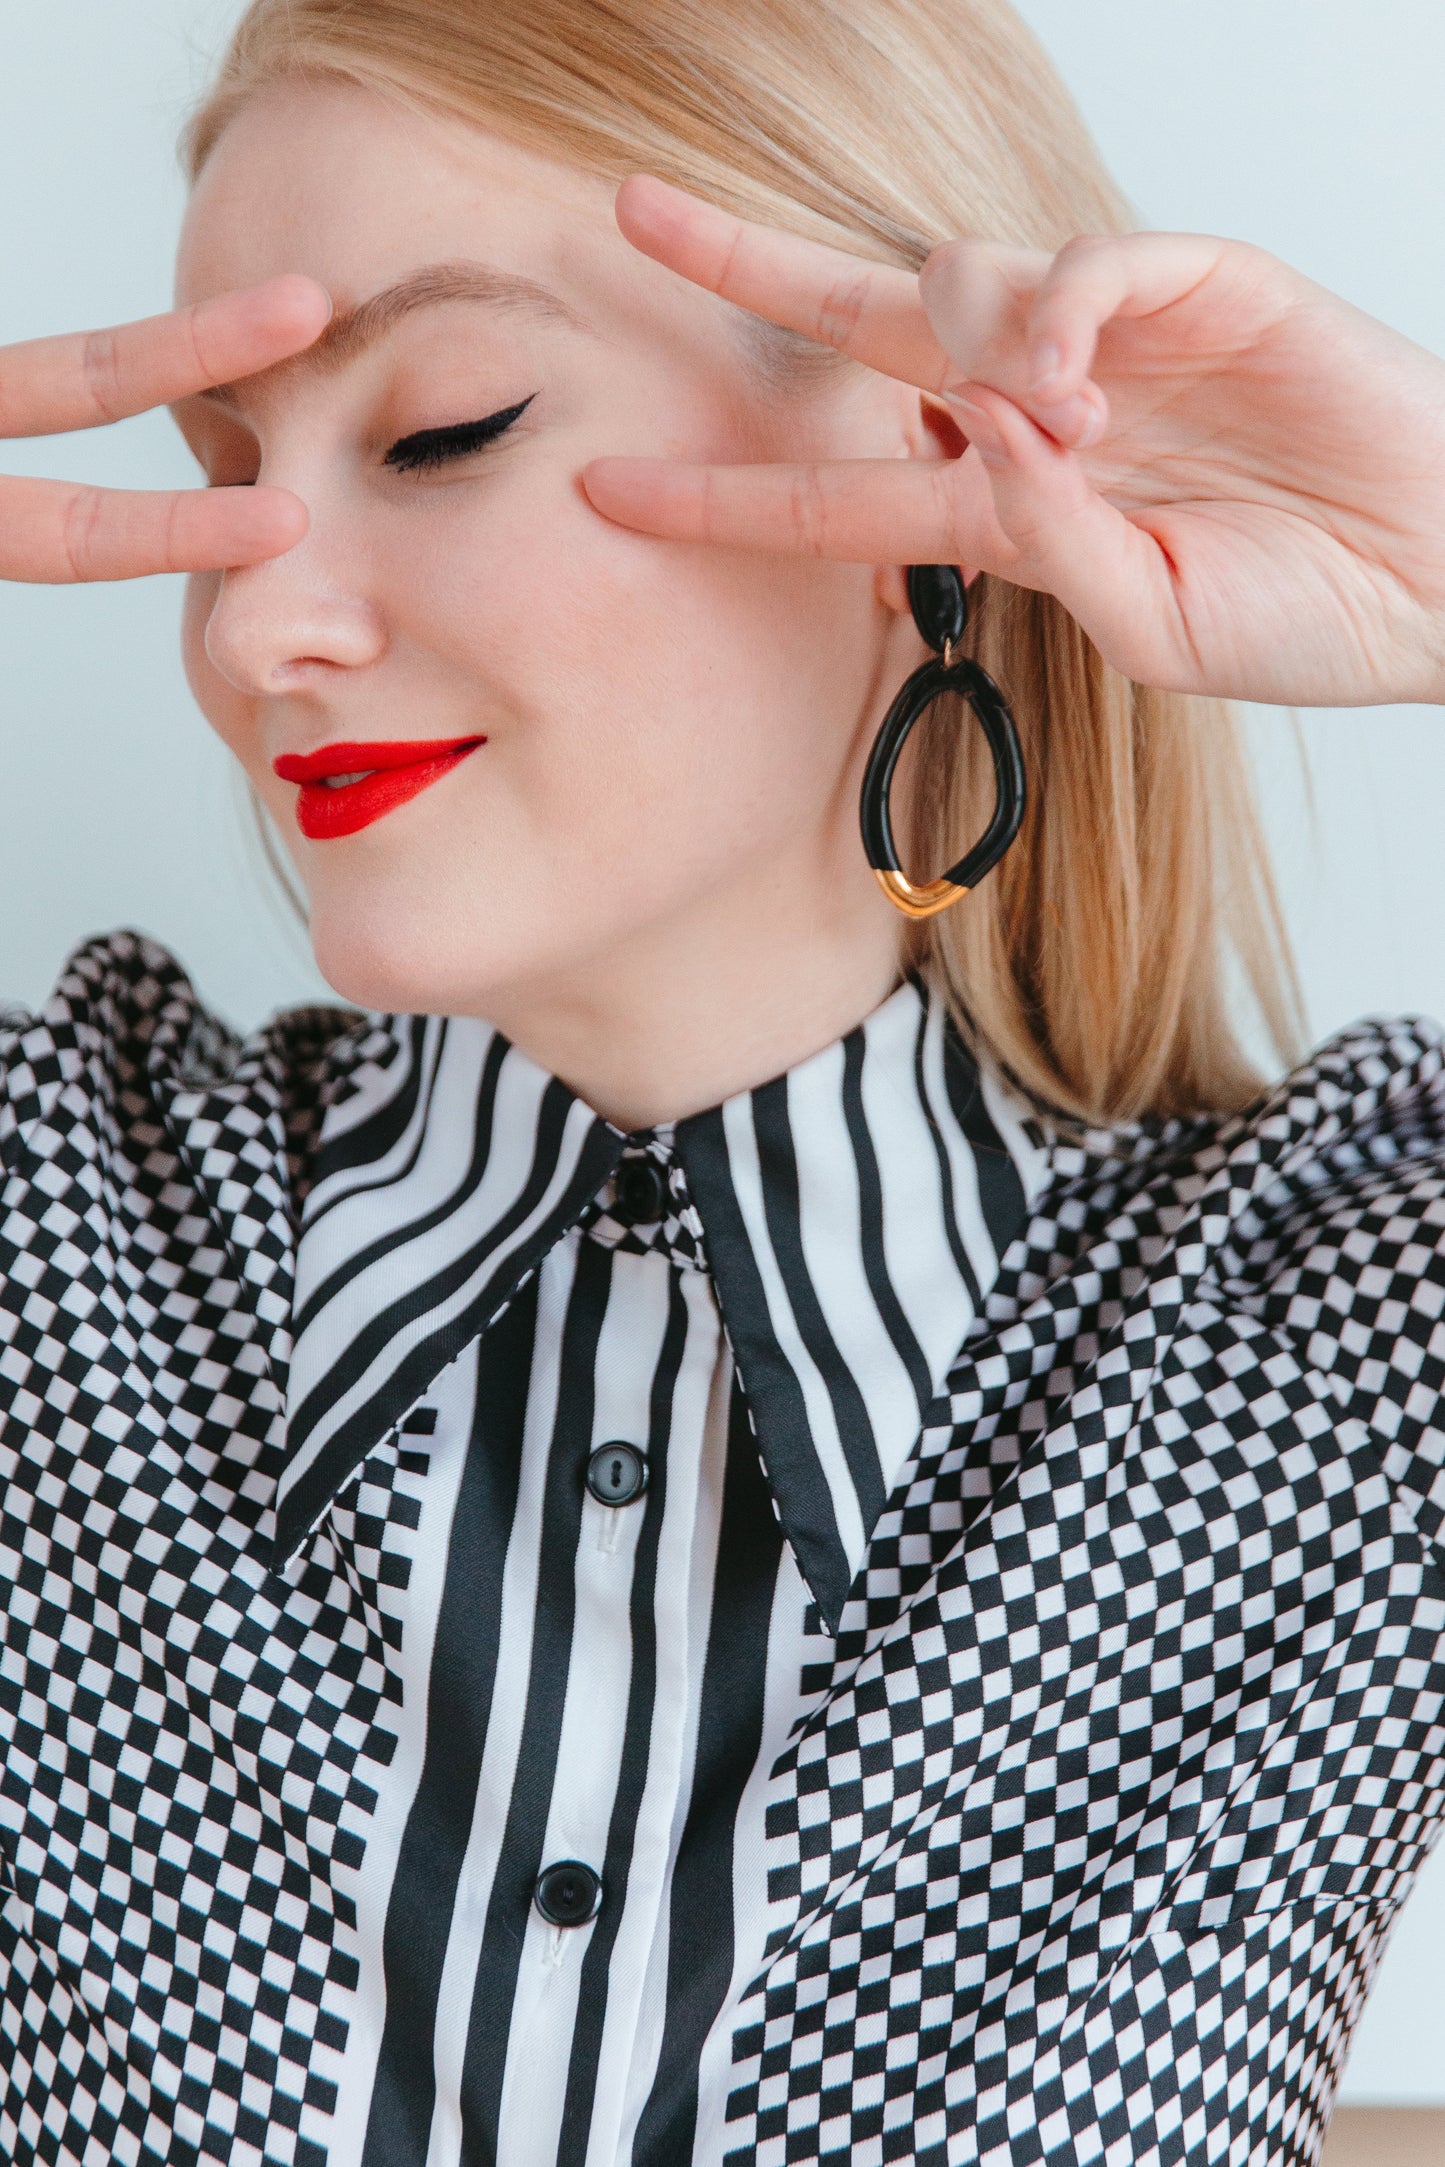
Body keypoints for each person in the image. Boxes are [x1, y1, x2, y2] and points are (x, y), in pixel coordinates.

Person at [2, 1, 1444, 2162]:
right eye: (223, 481)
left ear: (928, 482)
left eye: (440, 427)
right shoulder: (58, 1232)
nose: (249, 630)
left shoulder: (1338, 1350)